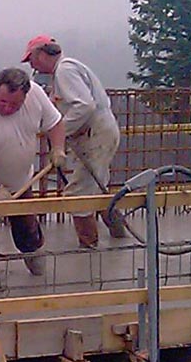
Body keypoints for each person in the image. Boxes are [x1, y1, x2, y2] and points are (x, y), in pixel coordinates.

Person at [0, 67, 67, 284]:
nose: (7, 108)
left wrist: (58, 148)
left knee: (28, 229)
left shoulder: (35, 95)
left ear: (25, 97)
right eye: (2, 102)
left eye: (14, 104)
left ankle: (39, 275)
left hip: (21, 181)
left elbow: (55, 123)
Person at [21, 34, 128, 248]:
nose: (31, 65)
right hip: (97, 132)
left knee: (78, 193)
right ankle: (119, 234)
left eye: (31, 59)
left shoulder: (65, 71)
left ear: (41, 54)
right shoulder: (65, 71)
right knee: (97, 187)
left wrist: (61, 131)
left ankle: (88, 246)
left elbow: (84, 105)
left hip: (95, 133)